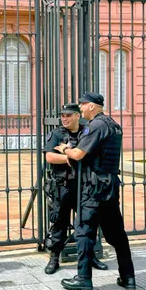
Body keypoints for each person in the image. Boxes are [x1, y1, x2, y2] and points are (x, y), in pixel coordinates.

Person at [55, 92, 136, 290]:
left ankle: (83, 278)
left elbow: (78, 154)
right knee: (117, 234)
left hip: (93, 188)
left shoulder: (96, 126)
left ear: (91, 106)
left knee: (84, 230)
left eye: (82, 105)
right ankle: (128, 277)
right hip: (109, 187)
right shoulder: (114, 125)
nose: (80, 109)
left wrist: (65, 148)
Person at [43, 103, 107, 274]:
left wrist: (71, 153)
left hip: (85, 186)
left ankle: (90, 256)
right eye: (62, 115)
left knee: (88, 222)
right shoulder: (57, 133)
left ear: (78, 115)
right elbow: (49, 156)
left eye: (68, 115)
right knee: (59, 223)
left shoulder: (87, 131)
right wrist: (68, 158)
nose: (64, 118)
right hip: (62, 186)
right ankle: (54, 258)